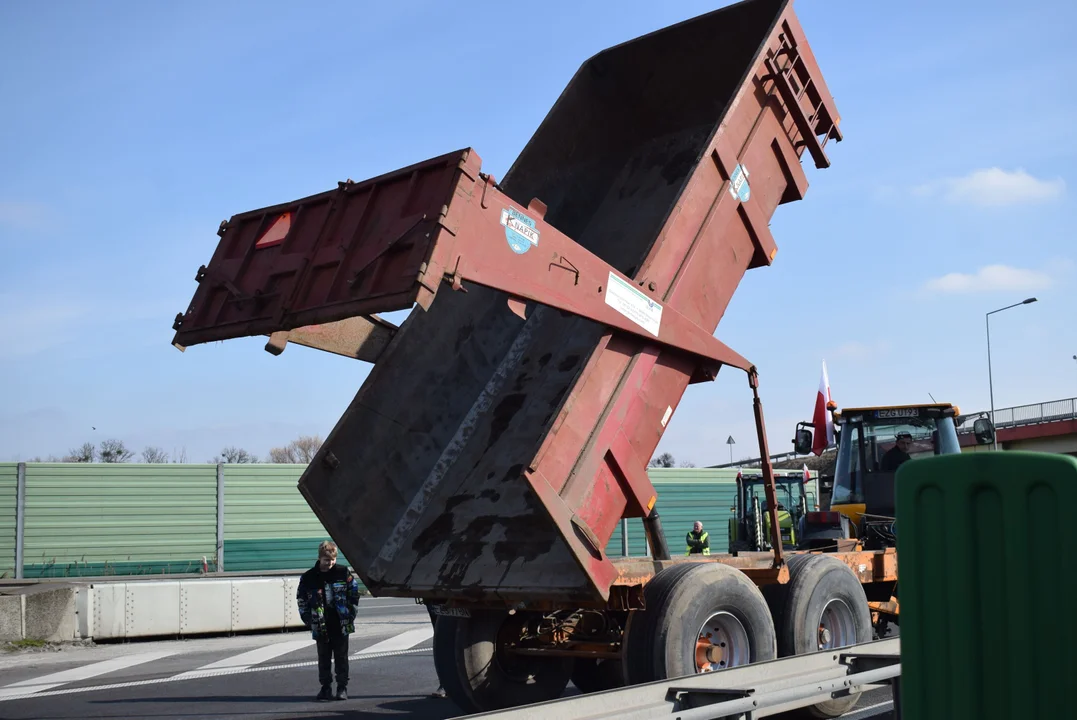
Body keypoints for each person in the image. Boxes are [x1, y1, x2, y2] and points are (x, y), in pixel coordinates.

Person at [297, 541, 360, 702]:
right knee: (323, 658)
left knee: (341, 657)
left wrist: (351, 613)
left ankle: (342, 688)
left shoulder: (342, 572)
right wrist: (308, 620)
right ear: (319, 558)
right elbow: (301, 599)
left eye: (332, 560)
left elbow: (354, 592)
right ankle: (325, 688)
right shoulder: (309, 577)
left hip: (341, 623)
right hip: (320, 624)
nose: (330, 563)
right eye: (326, 560)